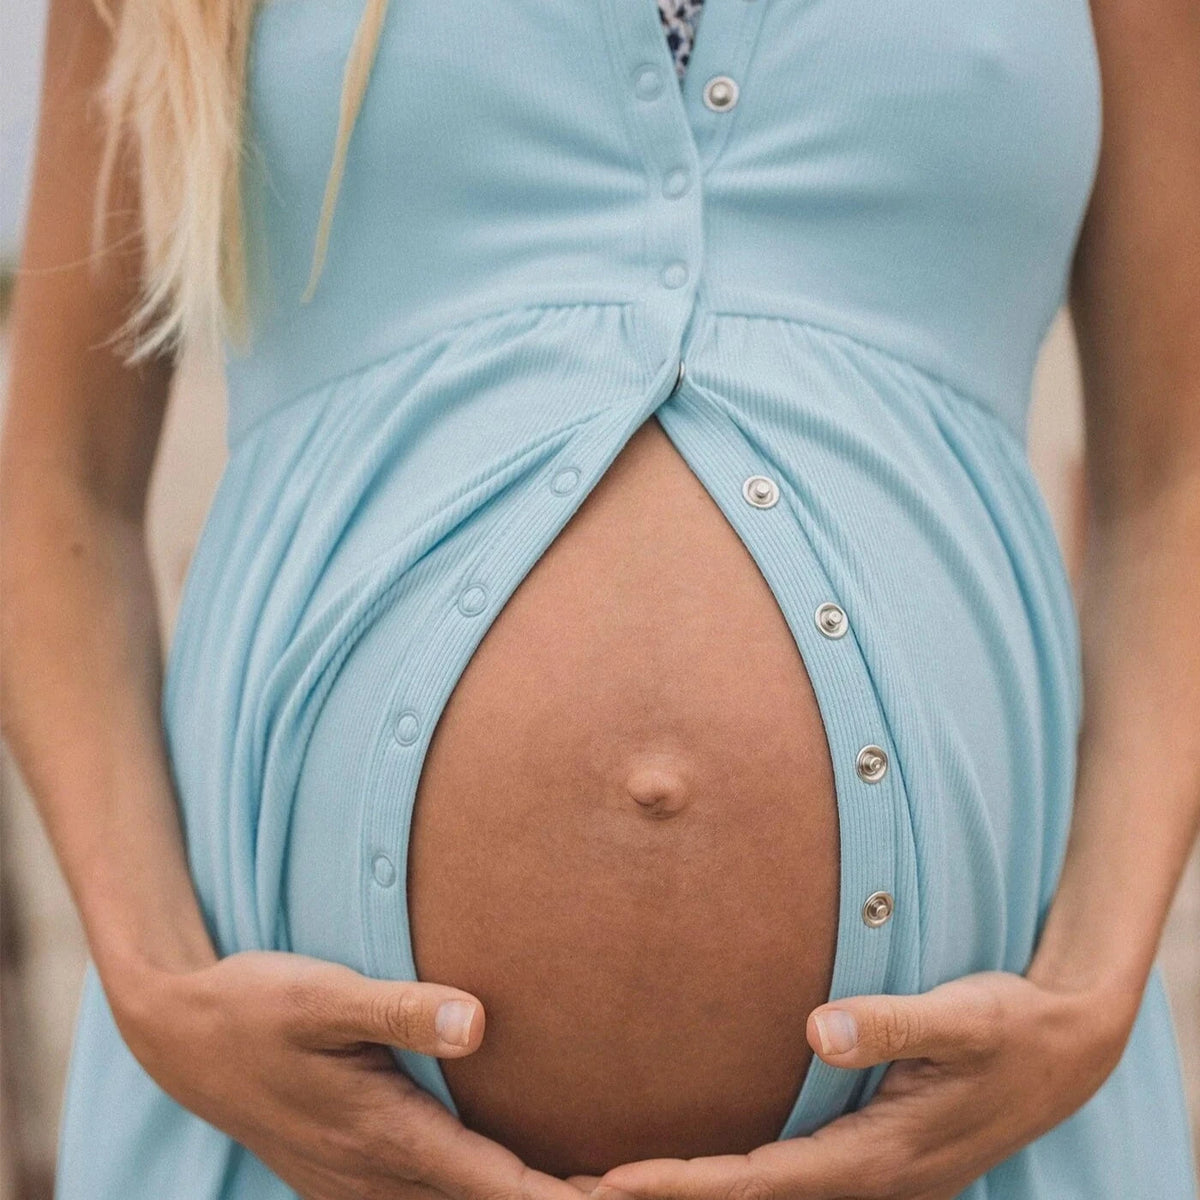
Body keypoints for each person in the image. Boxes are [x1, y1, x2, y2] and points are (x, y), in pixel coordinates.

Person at [1, 0, 1198, 1196]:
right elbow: (61, 486)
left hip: (985, 1143)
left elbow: (1173, 488)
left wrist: (1091, 992)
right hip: (283, 1145)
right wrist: (156, 984)